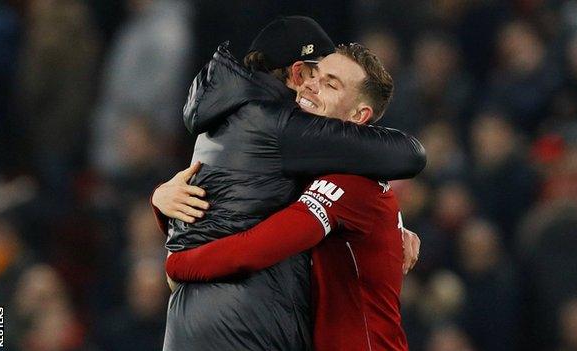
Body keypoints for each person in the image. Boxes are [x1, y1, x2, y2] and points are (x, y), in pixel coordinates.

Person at [155, 16, 426, 351]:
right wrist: (162, 205)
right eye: (316, 75)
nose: (312, 85)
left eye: (330, 83)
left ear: (359, 118)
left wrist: (179, 260)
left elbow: (258, 245)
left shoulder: (345, 176)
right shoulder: (297, 147)